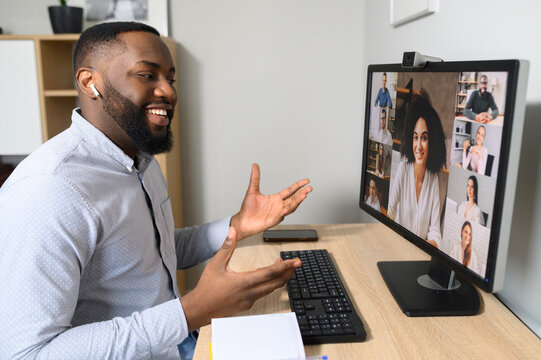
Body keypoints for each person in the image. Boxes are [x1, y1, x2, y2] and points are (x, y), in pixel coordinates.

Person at [0, 22, 313, 359]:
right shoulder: (48, 189)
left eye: (170, 78)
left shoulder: (141, 159)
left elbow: (152, 253)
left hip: (185, 344)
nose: (169, 92)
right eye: (148, 76)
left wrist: (237, 225)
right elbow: (27, 353)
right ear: (91, 83)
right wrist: (192, 309)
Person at [388, 91, 446, 248]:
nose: (419, 146)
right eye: (415, 137)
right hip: (397, 247)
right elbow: (391, 211)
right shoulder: (403, 169)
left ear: (432, 140)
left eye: (424, 138)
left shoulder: (433, 178)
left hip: (420, 253)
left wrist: (425, 245)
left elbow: (435, 231)